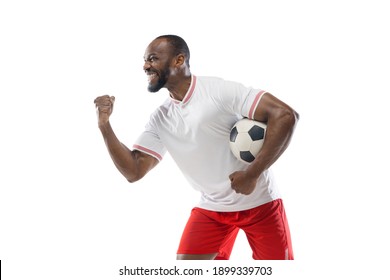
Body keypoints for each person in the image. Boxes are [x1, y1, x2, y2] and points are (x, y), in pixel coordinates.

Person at [94, 35, 299, 260]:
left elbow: (285, 115)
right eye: (144, 60)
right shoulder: (161, 118)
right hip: (213, 209)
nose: (145, 66)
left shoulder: (218, 91)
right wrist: (105, 125)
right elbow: (133, 171)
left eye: (152, 59)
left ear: (178, 60)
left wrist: (252, 173)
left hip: (260, 204)